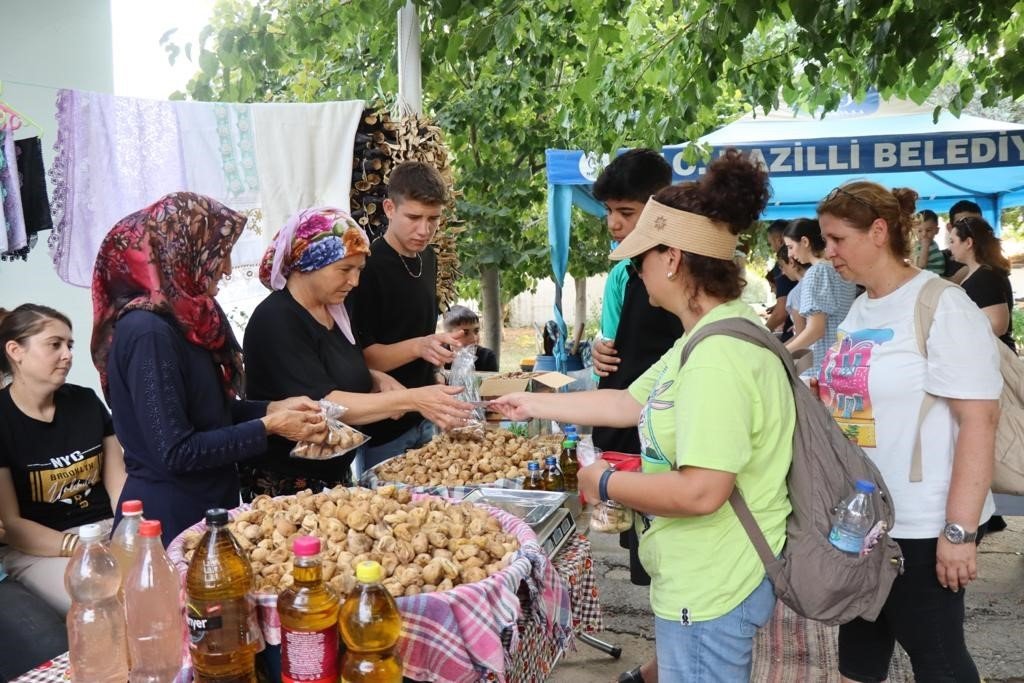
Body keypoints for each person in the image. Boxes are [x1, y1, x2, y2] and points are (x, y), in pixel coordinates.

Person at [493, 150, 793, 683]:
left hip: (714, 581)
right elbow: (628, 402)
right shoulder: (710, 333)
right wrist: (531, 402)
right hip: (706, 572)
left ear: (673, 258)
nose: (639, 274)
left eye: (642, 260)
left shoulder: (717, 358)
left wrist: (602, 482)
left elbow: (702, 492)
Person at [816, 181, 1001, 682]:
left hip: (922, 524)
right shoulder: (862, 307)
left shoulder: (943, 305)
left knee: (937, 657)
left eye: (836, 239)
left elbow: (979, 421)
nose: (827, 252)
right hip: (863, 518)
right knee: (859, 655)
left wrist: (959, 532)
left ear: (878, 232)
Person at [91, 192, 327, 546]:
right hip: (168, 524)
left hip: (208, 509)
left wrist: (273, 408)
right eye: (220, 253)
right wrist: (270, 426)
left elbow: (207, 413)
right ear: (180, 252)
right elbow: (176, 451)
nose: (228, 268)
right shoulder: (148, 332)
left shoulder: (186, 319)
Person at [240, 207, 474, 498]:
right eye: (344, 270)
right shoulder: (276, 320)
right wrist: (413, 399)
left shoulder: (335, 311)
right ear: (306, 264)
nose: (355, 282)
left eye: (359, 270)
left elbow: (333, 367)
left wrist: (372, 377)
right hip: (288, 484)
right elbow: (324, 403)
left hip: (334, 474)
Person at [584, 149, 679, 683]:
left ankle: (667, 667)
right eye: (610, 213)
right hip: (624, 438)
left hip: (662, 449)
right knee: (651, 560)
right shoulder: (627, 272)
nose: (614, 225)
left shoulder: (676, 275)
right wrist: (601, 348)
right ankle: (667, 664)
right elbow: (622, 354)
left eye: (626, 211)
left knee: (669, 563)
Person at [0, 304, 125, 614]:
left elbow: (118, 482)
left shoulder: (85, 401)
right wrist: (81, 548)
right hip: (43, 550)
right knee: (102, 600)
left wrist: (128, 532)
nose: (67, 354)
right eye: (54, 344)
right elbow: (13, 525)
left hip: (106, 530)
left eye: (69, 345)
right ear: (16, 350)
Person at [347, 162, 465, 471]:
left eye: (433, 219)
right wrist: (419, 346)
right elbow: (363, 360)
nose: (424, 230)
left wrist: (435, 358)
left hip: (426, 415)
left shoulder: (429, 257)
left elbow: (417, 328)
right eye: (413, 217)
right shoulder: (367, 269)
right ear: (389, 208)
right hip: (383, 427)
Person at [783, 217, 857, 376]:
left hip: (820, 368)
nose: (789, 254)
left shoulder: (816, 273)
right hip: (845, 362)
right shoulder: (841, 270)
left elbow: (816, 330)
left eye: (790, 247)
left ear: (804, 241)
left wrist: (781, 353)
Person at [764, 219, 797, 340]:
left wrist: (763, 333)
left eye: (770, 243)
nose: (772, 247)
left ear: (779, 240)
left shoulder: (781, 265)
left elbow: (781, 311)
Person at [442, 305, 498, 371]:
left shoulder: (487, 357)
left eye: (476, 331)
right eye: (465, 333)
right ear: (448, 335)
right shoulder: (439, 356)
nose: (474, 339)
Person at [942, 199, 984, 281]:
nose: (970, 229)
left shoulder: (990, 261)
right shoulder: (938, 257)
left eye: (976, 224)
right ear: (950, 228)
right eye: (962, 224)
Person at [777, 244, 808, 336]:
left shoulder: (796, 293)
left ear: (791, 262)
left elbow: (801, 337)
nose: (783, 272)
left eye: (782, 266)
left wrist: (778, 350)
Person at [913, 210, 945, 274]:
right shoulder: (917, 244)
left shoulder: (928, 246)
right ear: (914, 231)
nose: (924, 234)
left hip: (932, 277)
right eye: (920, 231)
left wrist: (925, 247)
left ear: (936, 231)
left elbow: (921, 265)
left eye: (928, 230)